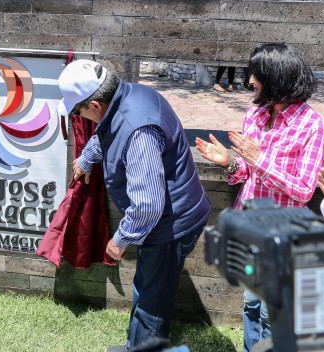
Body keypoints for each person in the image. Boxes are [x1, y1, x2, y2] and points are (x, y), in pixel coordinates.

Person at [58, 59, 211, 352]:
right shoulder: (127, 95)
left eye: (78, 111)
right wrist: (88, 157)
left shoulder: (137, 129)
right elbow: (108, 130)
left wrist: (121, 238)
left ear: (94, 105)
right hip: (171, 215)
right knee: (148, 286)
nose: (80, 116)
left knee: (151, 299)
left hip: (171, 223)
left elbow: (148, 204)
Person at [195, 43, 324, 352]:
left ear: (276, 78)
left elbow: (303, 190)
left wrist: (260, 159)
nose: (250, 81)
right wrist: (227, 161)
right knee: (251, 305)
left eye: (255, 74)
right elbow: (246, 171)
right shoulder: (256, 113)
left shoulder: (313, 128)